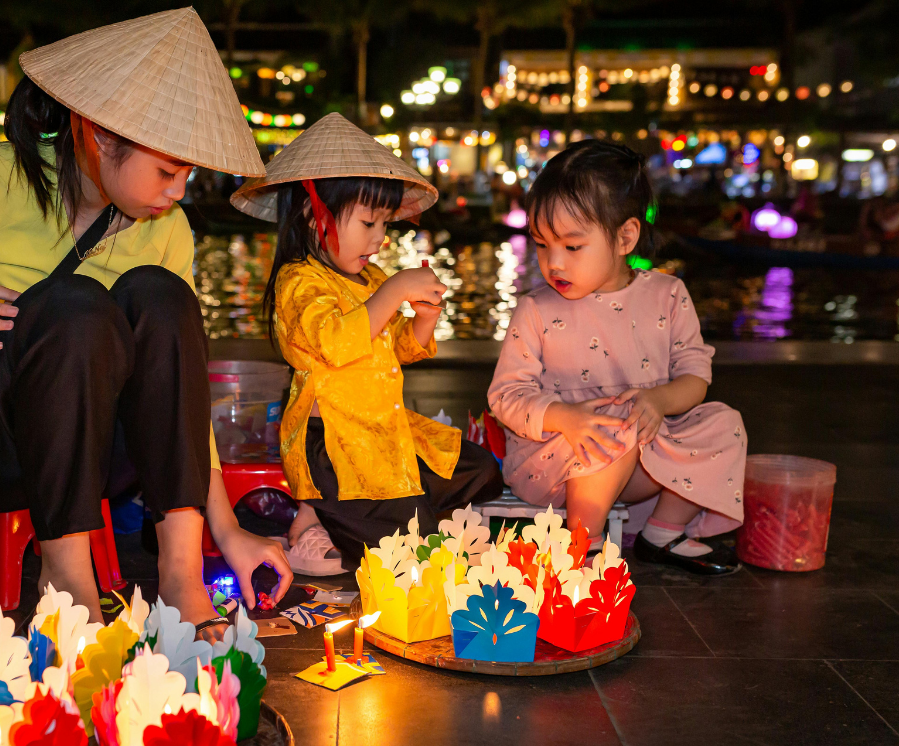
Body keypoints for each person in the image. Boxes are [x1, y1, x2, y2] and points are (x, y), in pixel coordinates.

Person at [0, 8, 291, 638]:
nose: (178, 192)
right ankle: (67, 578)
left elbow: (177, 389)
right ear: (98, 135)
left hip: (95, 449)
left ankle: (180, 571)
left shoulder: (166, 229)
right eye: (167, 171)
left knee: (161, 295)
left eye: (188, 175)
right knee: (71, 305)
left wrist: (228, 530)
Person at [231, 114, 505, 575]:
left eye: (384, 223)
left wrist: (423, 319)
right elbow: (338, 343)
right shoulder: (298, 282)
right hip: (335, 447)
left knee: (481, 469)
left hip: (383, 435)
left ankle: (346, 515)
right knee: (411, 550)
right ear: (312, 213)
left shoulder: (371, 279)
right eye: (368, 222)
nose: (379, 238)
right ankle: (317, 520)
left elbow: (398, 346)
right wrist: (395, 291)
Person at [488, 139, 746, 576]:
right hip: (556, 463)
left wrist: (659, 402)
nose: (554, 263)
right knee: (614, 423)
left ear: (625, 236)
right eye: (542, 244)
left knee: (724, 423)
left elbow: (695, 377)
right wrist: (565, 416)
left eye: (571, 247)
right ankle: (580, 548)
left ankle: (662, 532)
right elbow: (506, 396)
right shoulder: (537, 309)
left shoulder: (667, 295)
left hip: (647, 459)